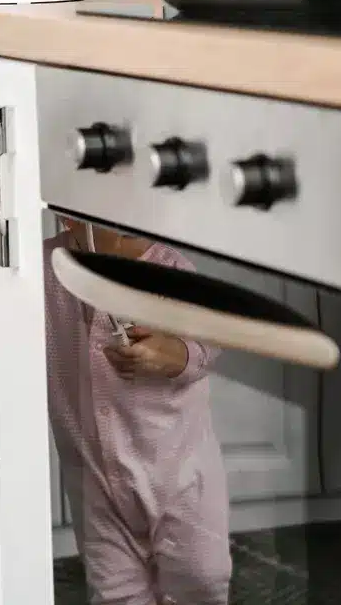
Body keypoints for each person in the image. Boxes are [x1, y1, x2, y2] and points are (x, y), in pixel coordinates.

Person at [44, 217, 232, 605]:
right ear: (68, 216)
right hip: (94, 479)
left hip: (178, 474)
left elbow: (210, 338)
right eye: (119, 226)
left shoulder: (172, 272)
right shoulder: (45, 267)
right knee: (115, 591)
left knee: (202, 577)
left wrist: (175, 353)